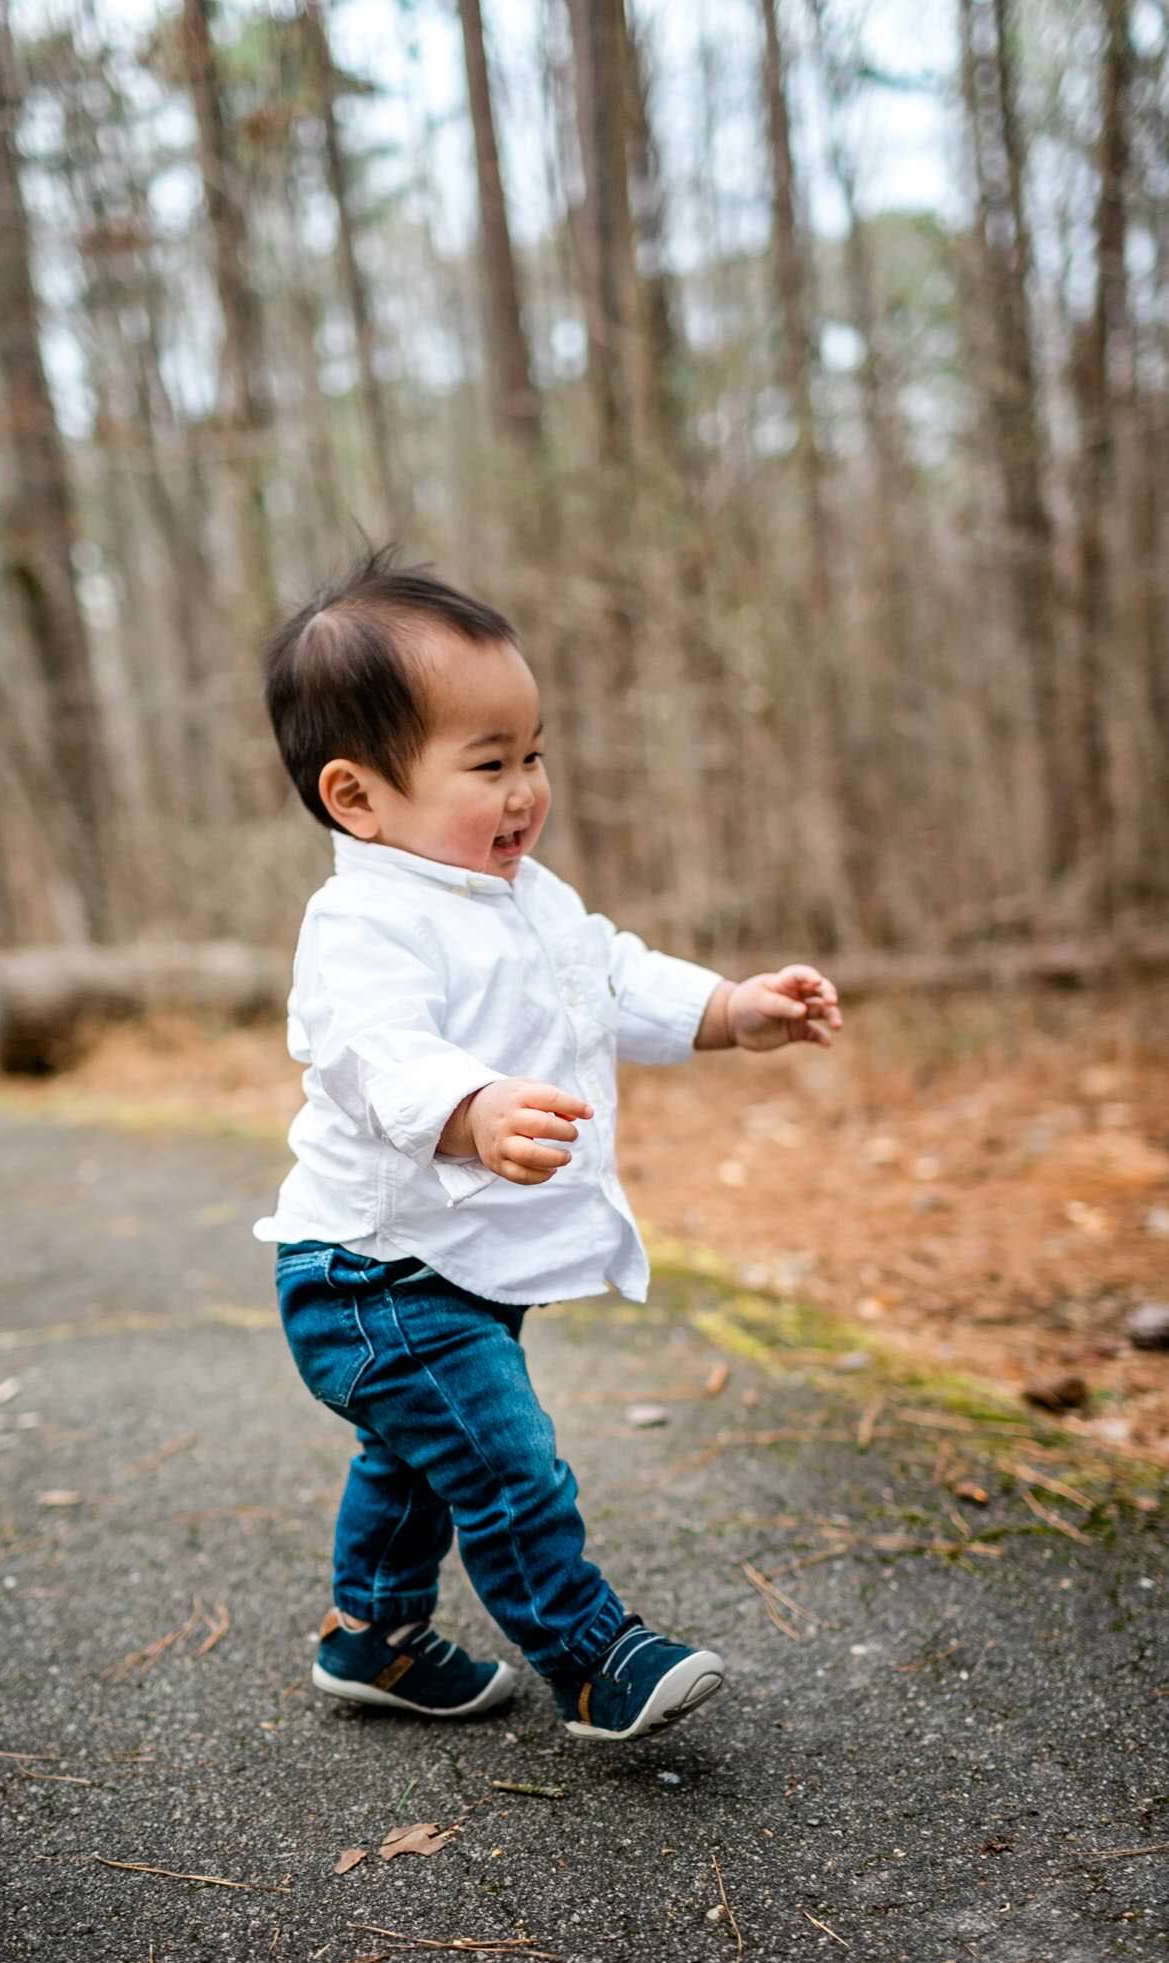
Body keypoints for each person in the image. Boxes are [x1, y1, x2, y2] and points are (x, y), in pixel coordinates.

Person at [254, 548, 843, 1742]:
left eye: (534, 752)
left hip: (451, 1261)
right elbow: (373, 1056)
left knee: (421, 1459)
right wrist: (468, 1108)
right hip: (369, 1274)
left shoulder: (525, 895)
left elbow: (607, 974)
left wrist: (728, 1008)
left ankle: (372, 1634)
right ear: (358, 796)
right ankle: (593, 1655)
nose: (526, 789)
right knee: (506, 1461)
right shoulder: (363, 920)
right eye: (487, 763)